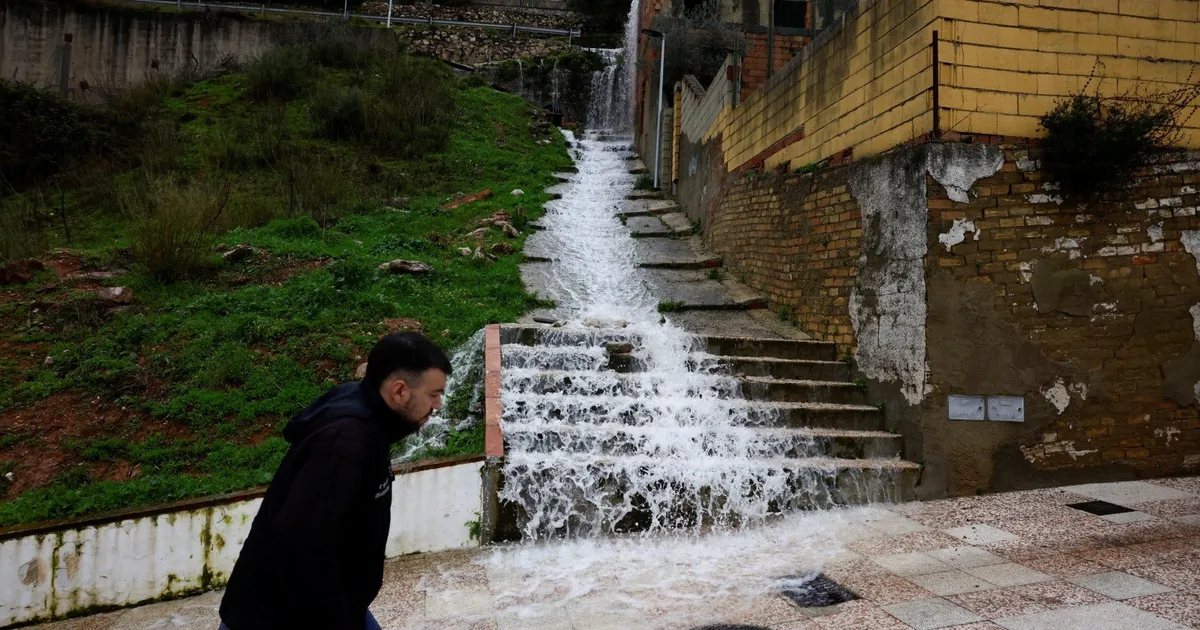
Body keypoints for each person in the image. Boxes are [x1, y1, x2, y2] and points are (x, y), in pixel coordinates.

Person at [218, 332, 451, 630]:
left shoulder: (366, 415)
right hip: (285, 616)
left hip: (334, 602)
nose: (438, 404)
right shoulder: (344, 441)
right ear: (400, 391)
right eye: (433, 394)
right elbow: (301, 548)